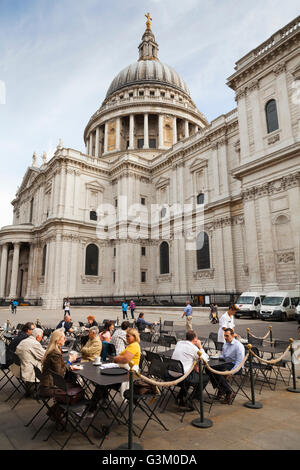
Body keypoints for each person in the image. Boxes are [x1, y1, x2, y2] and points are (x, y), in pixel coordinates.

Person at [168, 330, 209, 408]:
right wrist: (200, 346)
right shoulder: (193, 348)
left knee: (190, 373)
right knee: (205, 378)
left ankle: (181, 396)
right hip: (182, 378)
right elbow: (205, 359)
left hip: (170, 375)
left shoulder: (179, 343)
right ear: (195, 339)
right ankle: (191, 399)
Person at [206, 328, 245, 404]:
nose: (225, 338)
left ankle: (229, 392)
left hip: (235, 366)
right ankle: (221, 389)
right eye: (224, 336)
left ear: (233, 335)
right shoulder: (226, 343)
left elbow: (239, 362)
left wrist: (231, 372)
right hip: (225, 363)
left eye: (227, 336)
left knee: (220, 373)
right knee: (208, 368)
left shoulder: (238, 346)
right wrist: (215, 357)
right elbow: (223, 356)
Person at [39, 329, 78, 398]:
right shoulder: (55, 353)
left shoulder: (52, 349)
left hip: (45, 384)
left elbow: (58, 366)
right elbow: (60, 373)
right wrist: (70, 361)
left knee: (73, 381)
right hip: (49, 387)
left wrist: (68, 366)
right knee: (77, 387)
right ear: (57, 340)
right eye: (63, 338)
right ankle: (68, 405)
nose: (65, 340)